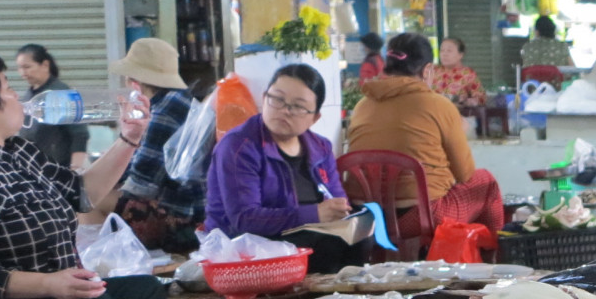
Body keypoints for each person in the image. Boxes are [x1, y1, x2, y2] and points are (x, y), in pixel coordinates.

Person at [0, 46, 166, 299]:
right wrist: (48, 284)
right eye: (8, 87)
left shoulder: (18, 152)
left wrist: (130, 137)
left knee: (143, 290)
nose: (19, 96)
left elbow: (82, 194)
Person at [205, 64, 364, 275]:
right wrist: (314, 214)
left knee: (361, 233)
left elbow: (336, 202)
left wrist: (343, 213)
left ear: (314, 117)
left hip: (304, 237)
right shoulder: (239, 146)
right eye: (277, 99)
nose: (284, 111)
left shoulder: (321, 148)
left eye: (298, 106)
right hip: (244, 247)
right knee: (327, 245)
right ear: (264, 98)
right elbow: (244, 219)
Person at [346, 32, 504, 230]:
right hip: (420, 216)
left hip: (367, 217)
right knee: (485, 180)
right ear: (428, 69)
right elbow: (465, 174)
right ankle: (492, 257)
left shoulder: (362, 105)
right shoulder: (438, 105)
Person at [112, 38, 205, 253]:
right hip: (191, 211)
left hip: (181, 218)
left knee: (88, 205)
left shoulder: (165, 110)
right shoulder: (178, 100)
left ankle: (108, 271)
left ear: (134, 80)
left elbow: (141, 185)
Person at [14, 45, 86, 169]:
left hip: (56, 167)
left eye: (27, 67)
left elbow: (79, 133)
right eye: (19, 68)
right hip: (33, 166)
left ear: (45, 65)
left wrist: (75, 168)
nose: (22, 73)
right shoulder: (29, 95)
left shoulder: (61, 93)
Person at [426, 37, 485, 114]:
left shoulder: (467, 73)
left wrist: (470, 101)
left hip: (459, 115)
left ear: (460, 55)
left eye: (449, 51)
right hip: (433, 114)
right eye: (442, 50)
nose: (444, 54)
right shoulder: (432, 70)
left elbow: (480, 98)